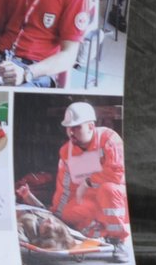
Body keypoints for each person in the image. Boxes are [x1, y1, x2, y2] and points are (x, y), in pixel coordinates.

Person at [51, 101, 129, 247]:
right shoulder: (66, 151)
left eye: (76, 127)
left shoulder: (109, 139)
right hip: (92, 202)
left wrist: (87, 182)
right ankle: (100, 233)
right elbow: (65, 189)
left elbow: (117, 174)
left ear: (91, 127)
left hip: (118, 198)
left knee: (107, 190)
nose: (71, 132)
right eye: (68, 128)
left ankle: (117, 240)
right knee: (67, 213)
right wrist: (56, 214)